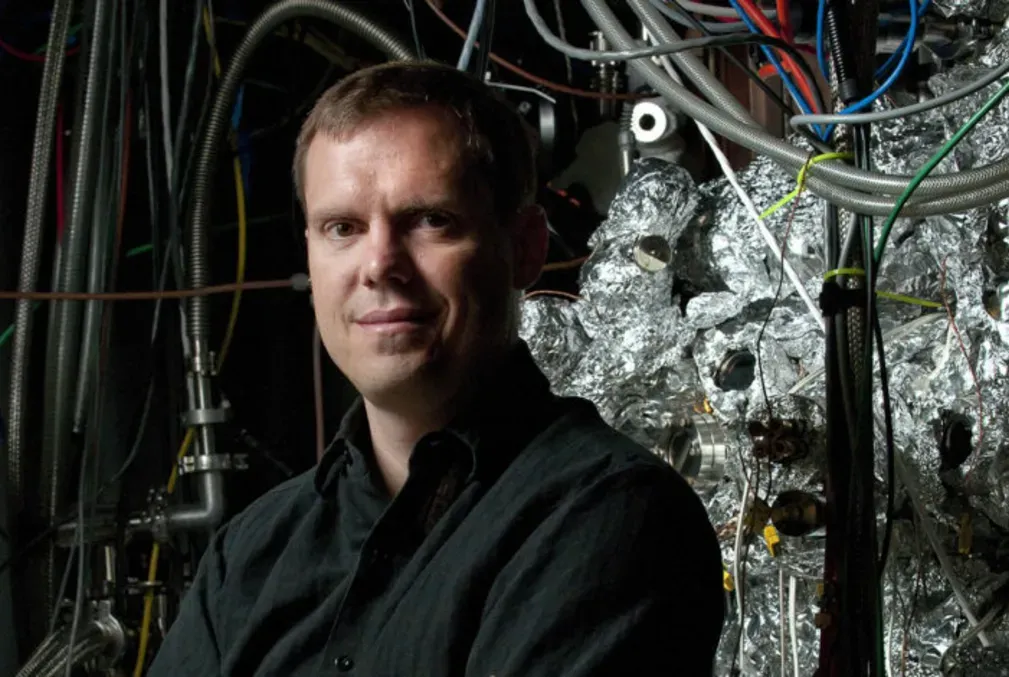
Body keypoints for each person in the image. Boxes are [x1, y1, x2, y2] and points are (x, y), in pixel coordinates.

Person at [148, 61, 724, 677]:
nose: (379, 265)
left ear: (525, 248)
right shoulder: (247, 557)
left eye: (430, 220)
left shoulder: (610, 519)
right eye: (342, 227)